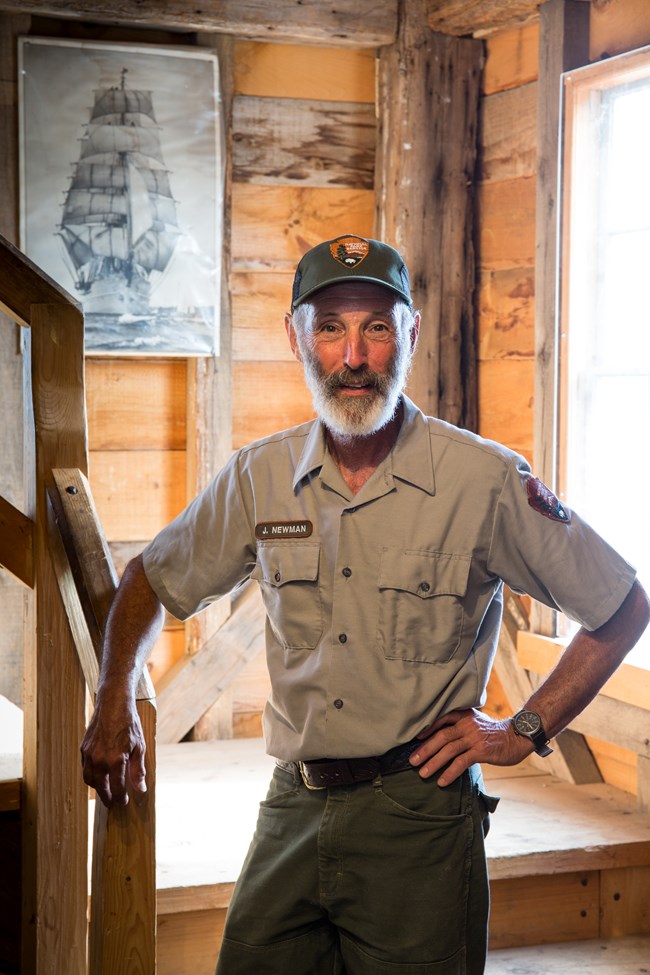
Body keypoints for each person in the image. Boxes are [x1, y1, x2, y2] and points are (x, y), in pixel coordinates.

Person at [81, 234, 649, 975]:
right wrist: (115, 693)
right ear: (297, 339)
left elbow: (621, 604)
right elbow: (149, 581)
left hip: (419, 815)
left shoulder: (484, 480)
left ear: (409, 333)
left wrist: (524, 729)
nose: (353, 355)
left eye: (376, 327)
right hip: (293, 803)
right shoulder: (259, 476)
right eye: (330, 327)